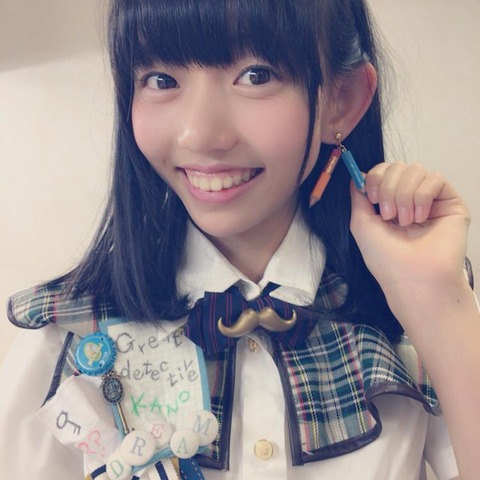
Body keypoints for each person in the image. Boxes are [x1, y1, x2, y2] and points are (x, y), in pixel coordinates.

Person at [1, 0, 479, 479]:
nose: (200, 135)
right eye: (161, 80)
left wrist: (438, 302)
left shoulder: (413, 312)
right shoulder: (63, 339)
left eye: (256, 75)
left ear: (342, 99)